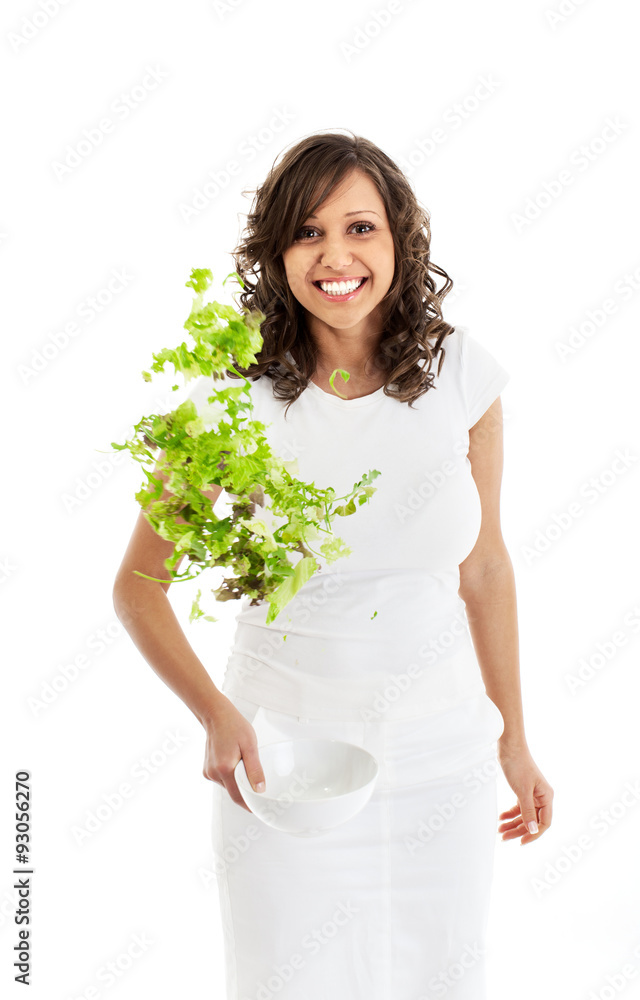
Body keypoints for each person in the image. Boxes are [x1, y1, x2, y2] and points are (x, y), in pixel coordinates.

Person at [113, 129, 554, 1000]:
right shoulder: (228, 397)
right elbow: (138, 585)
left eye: (360, 228)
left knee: (439, 979)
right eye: (307, 232)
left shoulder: (461, 373)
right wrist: (216, 716)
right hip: (286, 760)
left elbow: (484, 569)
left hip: (441, 757)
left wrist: (513, 739)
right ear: (276, 253)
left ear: (398, 240)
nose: (335, 256)